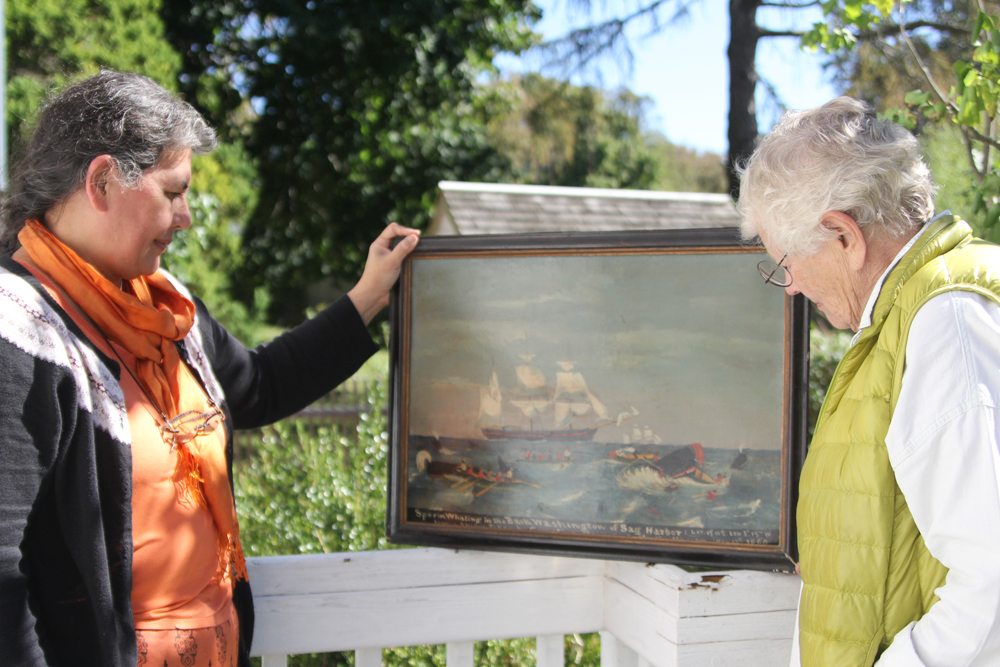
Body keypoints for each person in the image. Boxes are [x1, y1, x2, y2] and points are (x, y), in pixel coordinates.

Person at [0, 71, 419, 667]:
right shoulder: (18, 332)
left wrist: (370, 295)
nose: (187, 217)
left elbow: (258, 385)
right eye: (173, 192)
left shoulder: (162, 304)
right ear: (101, 183)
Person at [738, 97, 1000, 666]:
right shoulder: (904, 314)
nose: (789, 286)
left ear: (843, 236)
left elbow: (994, 583)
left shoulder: (944, 323)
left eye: (785, 262)